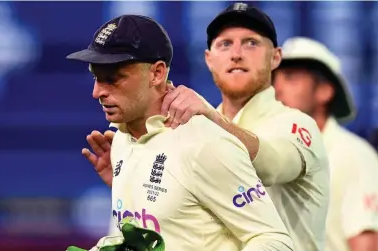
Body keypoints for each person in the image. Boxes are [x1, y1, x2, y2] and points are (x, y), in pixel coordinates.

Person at [67, 14, 293, 251]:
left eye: (113, 79)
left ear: (157, 73)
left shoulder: (204, 144)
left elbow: (274, 240)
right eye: (96, 77)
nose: (97, 92)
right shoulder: (122, 141)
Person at [141, 3, 329, 251]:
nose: (237, 53)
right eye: (225, 44)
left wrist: (212, 119)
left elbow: (271, 166)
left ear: (275, 57)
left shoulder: (297, 124)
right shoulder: (191, 128)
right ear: (209, 59)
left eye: (251, 42)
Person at [273, 37, 378, 251]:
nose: (276, 89)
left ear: (324, 91)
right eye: (273, 80)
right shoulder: (267, 157)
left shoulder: (354, 157)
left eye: (290, 78)